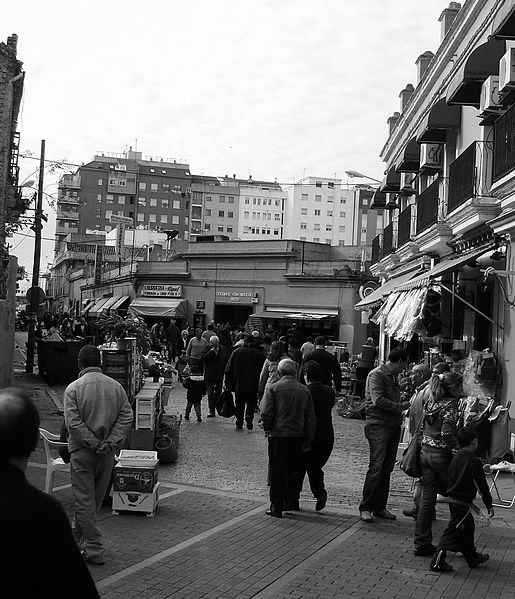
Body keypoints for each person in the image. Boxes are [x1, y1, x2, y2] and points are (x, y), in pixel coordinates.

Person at [0, 387, 101, 598]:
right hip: (103, 451)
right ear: (33, 443)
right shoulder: (42, 512)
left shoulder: (73, 389)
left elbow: (71, 422)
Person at [64, 345, 133, 565]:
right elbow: (126, 417)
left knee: (84, 500)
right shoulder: (116, 388)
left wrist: (93, 443)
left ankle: (93, 548)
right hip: (106, 454)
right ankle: (80, 534)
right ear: (100, 362)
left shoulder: (73, 389)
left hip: (82, 452)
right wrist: (110, 442)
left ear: (79, 363)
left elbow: (73, 424)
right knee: (94, 500)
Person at [430, 427, 494, 573]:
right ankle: (437, 562)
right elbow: (482, 486)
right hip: (462, 502)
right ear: (474, 442)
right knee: (452, 531)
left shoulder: (456, 457)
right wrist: (489, 505)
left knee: (468, 526)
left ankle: (471, 556)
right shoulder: (473, 461)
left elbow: (449, 477)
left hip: (454, 500)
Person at [413, 371, 461, 557]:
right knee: (457, 497)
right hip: (441, 456)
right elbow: (447, 432)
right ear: (453, 388)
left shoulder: (431, 401)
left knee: (427, 501)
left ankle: (421, 542)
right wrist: (456, 450)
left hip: (425, 453)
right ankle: (456, 541)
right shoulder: (451, 403)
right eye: (460, 386)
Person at [359, 347, 410, 523]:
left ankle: (379, 506)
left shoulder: (394, 377)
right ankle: (366, 506)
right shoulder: (377, 375)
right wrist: (400, 406)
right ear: (400, 361)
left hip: (393, 424)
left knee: (386, 468)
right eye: (404, 364)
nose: (405, 368)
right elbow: (377, 400)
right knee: (376, 466)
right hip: (378, 425)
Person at [260, 359, 316, 517]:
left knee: (277, 470)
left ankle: (276, 505)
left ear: (279, 372)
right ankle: (289, 501)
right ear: (295, 372)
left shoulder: (273, 388)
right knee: (291, 470)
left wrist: (268, 427)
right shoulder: (304, 391)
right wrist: (308, 440)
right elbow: (310, 418)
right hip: (296, 435)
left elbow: (266, 412)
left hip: (278, 434)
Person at [291, 360, 335, 511]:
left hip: (307, 434)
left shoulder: (304, 391)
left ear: (306, 375)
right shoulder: (329, 391)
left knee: (298, 468)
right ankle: (320, 493)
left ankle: (293, 500)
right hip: (326, 435)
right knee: (315, 467)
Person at [401, 363, 433, 519]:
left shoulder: (427, 391)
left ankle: (425, 510)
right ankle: (418, 507)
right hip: (416, 436)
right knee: (419, 473)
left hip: (422, 439)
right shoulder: (420, 390)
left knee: (423, 475)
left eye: (413, 374)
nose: (410, 376)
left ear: (421, 375)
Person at [224, 334, 265, 430]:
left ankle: (239, 421)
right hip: (253, 383)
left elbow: (228, 368)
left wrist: (227, 382)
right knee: (251, 402)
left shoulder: (237, 352)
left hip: (239, 383)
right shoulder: (258, 353)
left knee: (239, 402)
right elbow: (263, 369)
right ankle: (249, 415)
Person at [203, 335, 228, 417]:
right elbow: (203, 358)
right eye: (212, 344)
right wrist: (211, 352)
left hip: (219, 374)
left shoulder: (223, 349)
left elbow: (224, 360)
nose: (213, 345)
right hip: (209, 374)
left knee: (218, 393)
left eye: (215, 344)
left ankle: (218, 409)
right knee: (210, 394)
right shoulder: (207, 348)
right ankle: (211, 410)